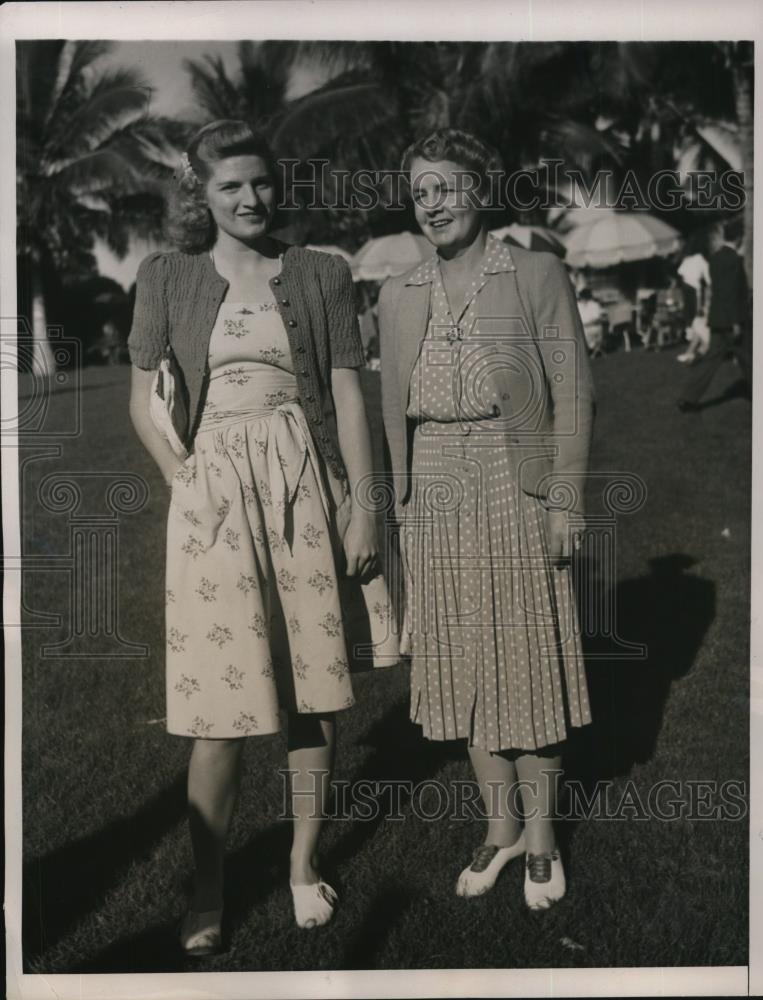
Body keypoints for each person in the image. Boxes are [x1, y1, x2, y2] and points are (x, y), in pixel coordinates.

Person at [127, 120, 387, 952]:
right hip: (211, 494)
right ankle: (208, 889)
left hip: (303, 481)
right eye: (230, 185)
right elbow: (141, 401)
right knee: (218, 704)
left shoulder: (319, 273)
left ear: (279, 184)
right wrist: (184, 483)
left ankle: (303, 866)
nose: (250, 198)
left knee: (315, 682)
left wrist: (364, 505)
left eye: (261, 182)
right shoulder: (166, 278)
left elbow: (348, 397)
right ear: (200, 194)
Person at [379, 128, 595, 910]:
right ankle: (499, 830)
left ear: (481, 186)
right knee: (462, 663)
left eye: (444, 186)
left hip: (515, 476)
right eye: (419, 192)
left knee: (525, 654)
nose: (431, 204)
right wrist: (402, 508)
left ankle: (541, 843)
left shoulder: (534, 273)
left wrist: (566, 495)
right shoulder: (397, 293)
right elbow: (390, 413)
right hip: (433, 484)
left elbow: (572, 389)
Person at [678, 218, 751, 411]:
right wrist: (735, 321)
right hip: (733, 320)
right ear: (739, 239)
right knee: (750, 358)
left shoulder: (715, 259)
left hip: (717, 319)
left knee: (710, 361)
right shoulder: (735, 260)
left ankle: (688, 398)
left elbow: (718, 290)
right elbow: (732, 292)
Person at [577, 287, 604, 357]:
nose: (582, 299)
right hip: (582, 328)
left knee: (586, 333)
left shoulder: (594, 305)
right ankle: (590, 351)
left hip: (593, 327)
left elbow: (597, 319)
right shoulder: (578, 305)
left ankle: (592, 351)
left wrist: (586, 325)